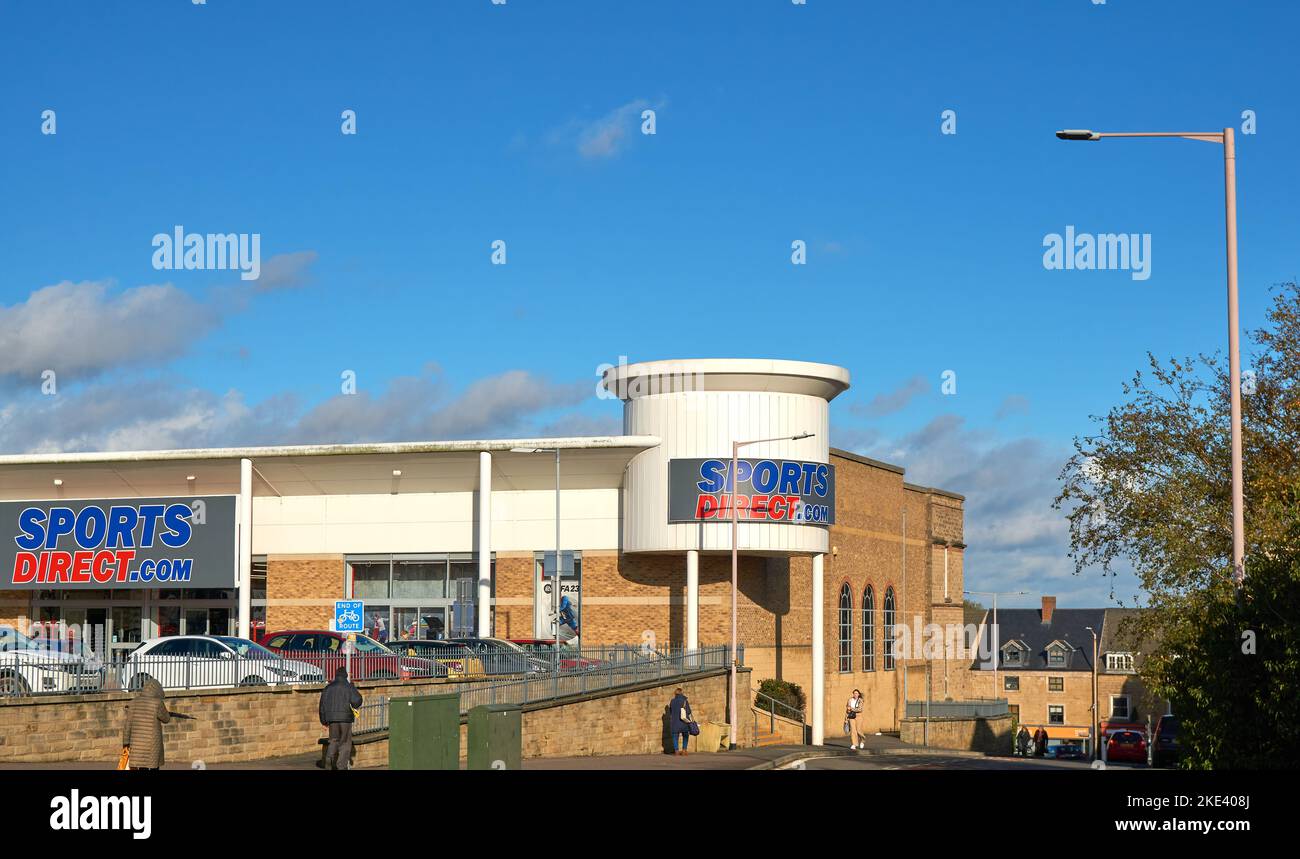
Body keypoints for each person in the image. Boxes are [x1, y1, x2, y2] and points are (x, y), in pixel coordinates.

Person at [319, 666, 363, 770]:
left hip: (332, 719)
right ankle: (341, 766)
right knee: (345, 743)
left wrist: (323, 721)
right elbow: (357, 700)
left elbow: (322, 705)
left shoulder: (328, 688)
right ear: (345, 676)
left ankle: (329, 760)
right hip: (345, 719)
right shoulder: (349, 687)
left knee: (333, 740)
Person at [121, 677, 170, 770]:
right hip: (152, 744)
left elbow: (128, 725)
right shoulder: (157, 703)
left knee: (140, 765)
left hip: (136, 744)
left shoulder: (134, 702)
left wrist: (126, 742)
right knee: (153, 765)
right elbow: (166, 719)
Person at [668, 687, 693, 756]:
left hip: (675, 722)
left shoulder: (672, 701)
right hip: (683, 721)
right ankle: (684, 750)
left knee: (675, 736)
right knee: (685, 735)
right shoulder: (684, 701)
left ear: (675, 694)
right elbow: (688, 711)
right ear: (682, 693)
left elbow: (671, 711)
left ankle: (676, 751)